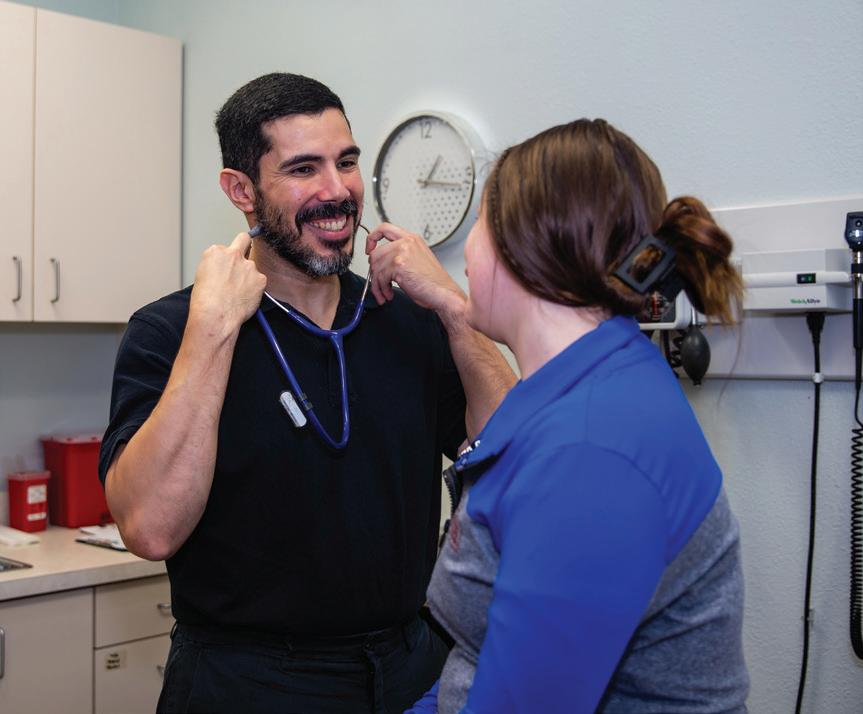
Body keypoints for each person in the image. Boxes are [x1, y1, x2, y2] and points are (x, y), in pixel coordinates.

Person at [98, 72, 515, 714]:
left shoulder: (405, 318)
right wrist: (212, 332)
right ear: (241, 190)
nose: (337, 190)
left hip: (409, 669)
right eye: (303, 169)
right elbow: (150, 528)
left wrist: (457, 312)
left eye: (345, 162)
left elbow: (517, 459)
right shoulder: (171, 332)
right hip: (248, 682)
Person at [408, 119, 750, 713]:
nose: (467, 250)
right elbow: (483, 661)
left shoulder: (591, 452)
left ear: (523, 247)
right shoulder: (583, 385)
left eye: (480, 223)